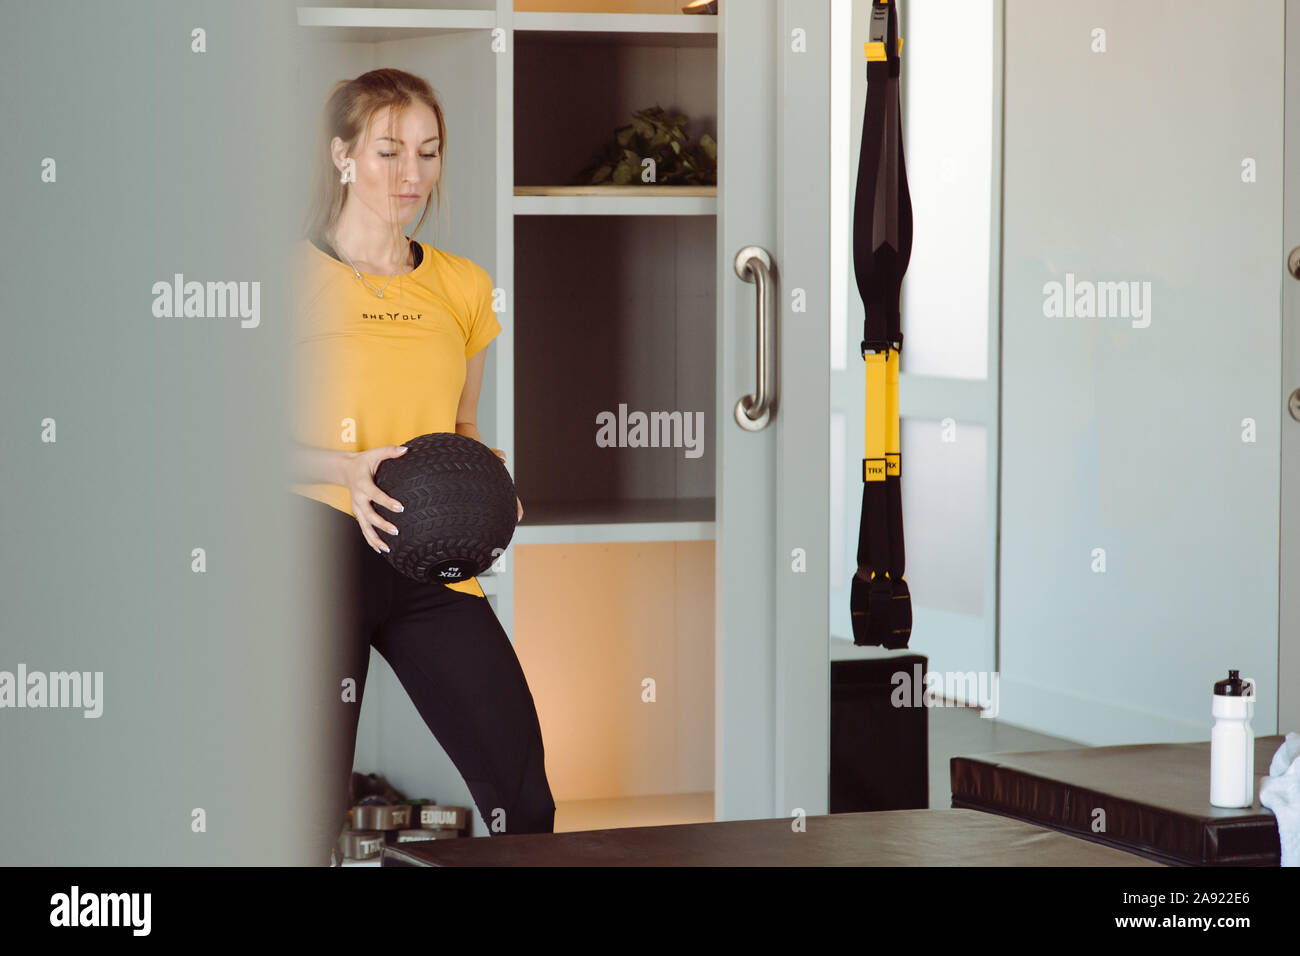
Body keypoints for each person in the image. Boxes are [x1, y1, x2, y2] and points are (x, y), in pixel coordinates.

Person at [288, 68, 555, 864]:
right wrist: (342, 466)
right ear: (342, 155)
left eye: (429, 153)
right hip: (316, 545)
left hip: (429, 557)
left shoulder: (463, 287)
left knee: (520, 794)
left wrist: (490, 486)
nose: (412, 176)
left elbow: (463, 426)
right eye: (389, 151)